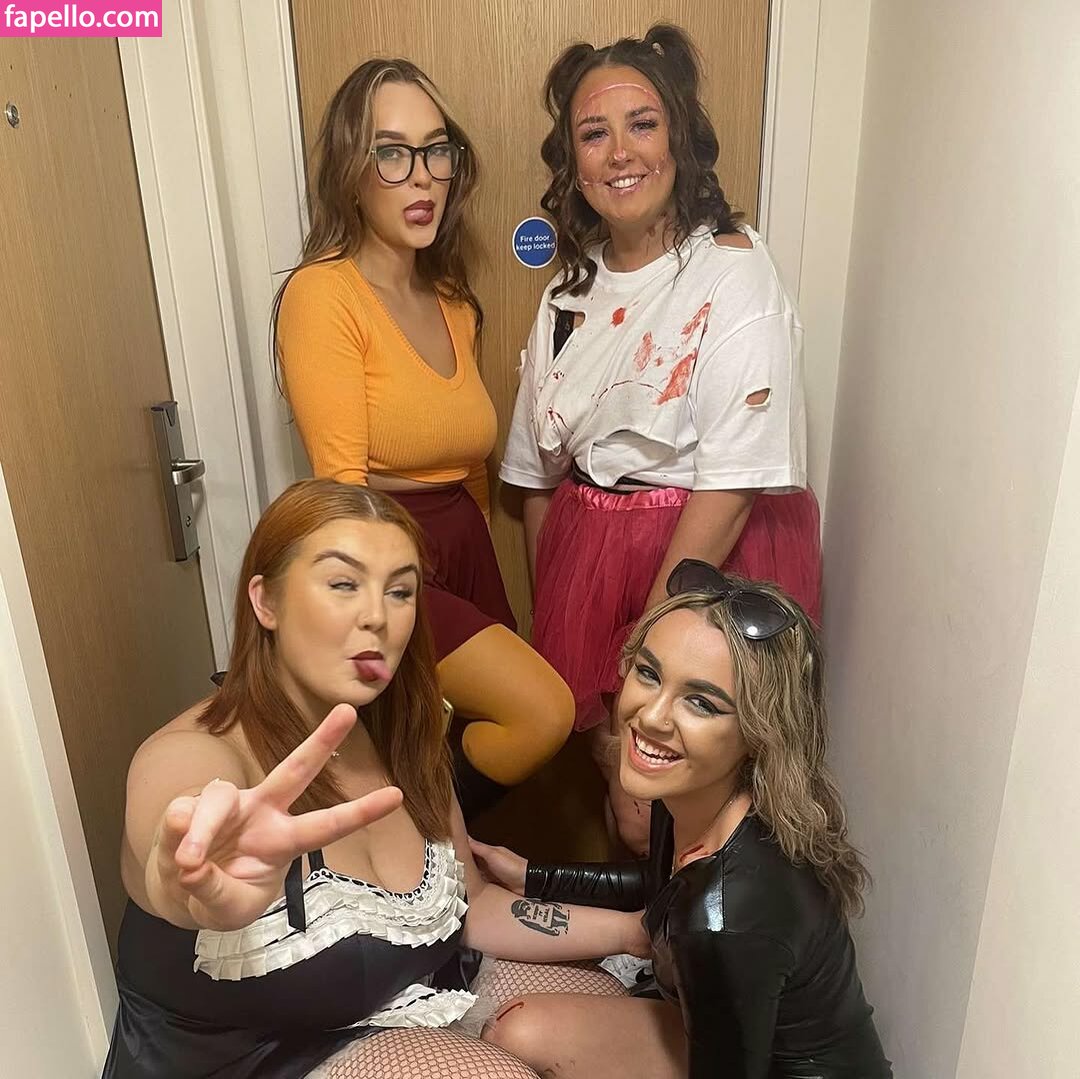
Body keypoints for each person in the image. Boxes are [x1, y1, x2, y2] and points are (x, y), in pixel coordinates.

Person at [102, 480, 647, 1078]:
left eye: (400, 591)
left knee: (613, 1024)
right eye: (343, 584)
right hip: (252, 1055)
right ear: (266, 602)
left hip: (395, 998)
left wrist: (632, 932)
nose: (377, 617)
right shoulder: (191, 752)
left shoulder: (404, 734)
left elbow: (475, 906)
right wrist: (191, 875)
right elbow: (172, 843)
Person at [499, 24, 822, 853]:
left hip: (703, 564)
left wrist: (645, 658)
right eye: (593, 133)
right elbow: (537, 479)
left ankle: (688, 935)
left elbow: (734, 480)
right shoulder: (565, 295)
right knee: (616, 794)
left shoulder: (732, 269)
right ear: (572, 162)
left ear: (679, 135)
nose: (620, 153)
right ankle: (633, 928)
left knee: (685, 802)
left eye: (642, 124)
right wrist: (558, 618)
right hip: (587, 559)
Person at [274, 59, 573, 819]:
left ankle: (432, 850)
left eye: (437, 150)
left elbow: (469, 463)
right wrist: (377, 596)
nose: (422, 177)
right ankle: (420, 833)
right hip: (384, 552)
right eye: (392, 152)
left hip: (463, 542)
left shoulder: (451, 300)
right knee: (543, 712)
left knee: (457, 733)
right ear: (351, 172)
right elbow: (339, 484)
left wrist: (481, 561)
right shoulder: (323, 293)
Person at [471, 562, 892, 1078]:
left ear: (760, 732)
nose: (651, 716)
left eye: (701, 702)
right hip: (724, 1037)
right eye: (648, 674)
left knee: (520, 1033)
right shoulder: (699, 799)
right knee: (517, 1027)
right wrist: (535, 876)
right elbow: (661, 888)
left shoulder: (725, 915)